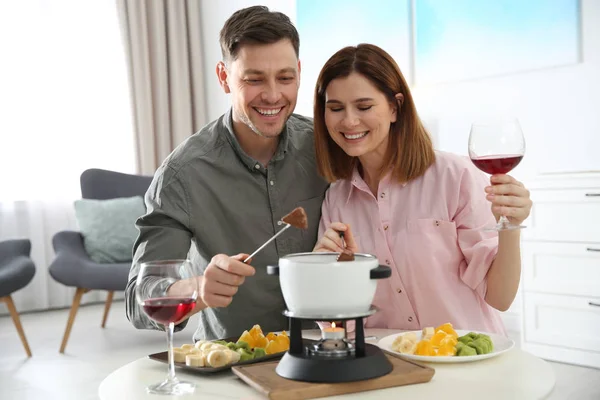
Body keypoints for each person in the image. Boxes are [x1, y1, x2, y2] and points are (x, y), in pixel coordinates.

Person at [125, 6, 328, 341]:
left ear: (299, 73)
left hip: (322, 355)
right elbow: (138, 299)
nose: (273, 95)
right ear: (224, 77)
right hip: (232, 367)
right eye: (254, 79)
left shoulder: (325, 146)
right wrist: (199, 288)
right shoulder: (182, 175)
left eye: (285, 77)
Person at [312, 44, 532, 335]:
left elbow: (500, 297)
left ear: (395, 107)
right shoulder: (337, 199)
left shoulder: (456, 177)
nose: (349, 121)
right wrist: (325, 275)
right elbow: (339, 326)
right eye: (336, 108)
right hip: (390, 367)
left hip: (463, 362)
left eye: (364, 107)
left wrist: (511, 227)